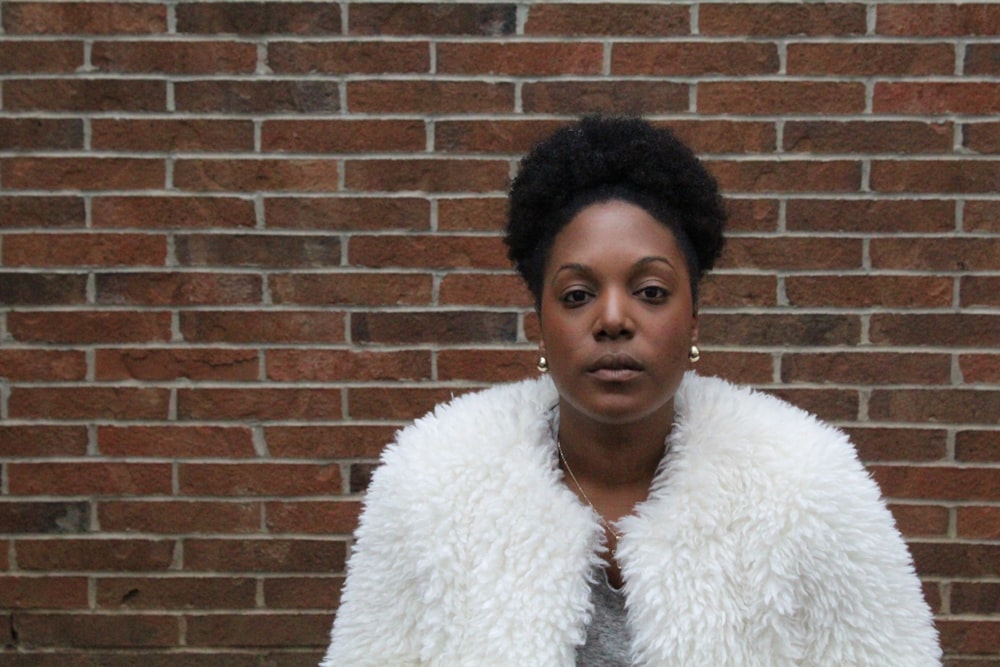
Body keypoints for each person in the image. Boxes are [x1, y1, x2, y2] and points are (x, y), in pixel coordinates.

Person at [320, 116, 941, 666]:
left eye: (649, 291)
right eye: (577, 295)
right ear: (540, 323)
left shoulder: (807, 484)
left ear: (692, 319)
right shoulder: (430, 483)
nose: (613, 318)